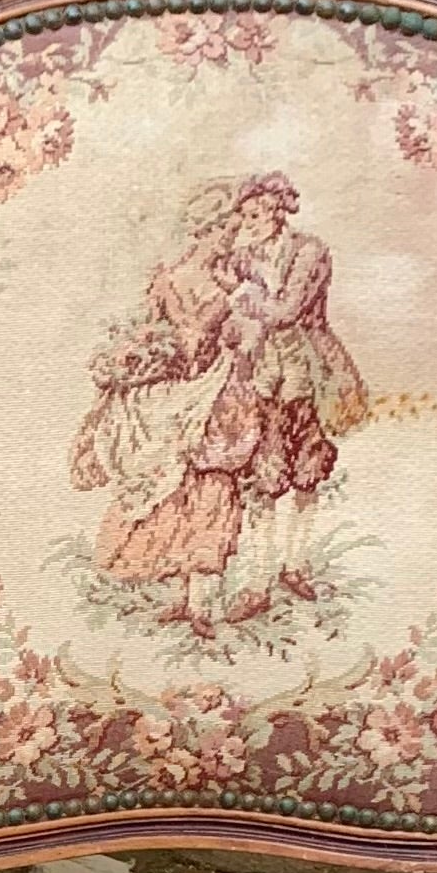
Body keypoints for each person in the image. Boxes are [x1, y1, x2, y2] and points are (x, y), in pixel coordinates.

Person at [71, 172, 367, 631]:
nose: (245, 226)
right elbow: (218, 318)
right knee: (266, 476)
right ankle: (258, 585)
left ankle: (296, 564)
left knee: (306, 472)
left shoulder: (308, 251)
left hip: (305, 373)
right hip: (258, 378)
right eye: (240, 218)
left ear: (276, 210)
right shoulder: (241, 258)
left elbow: (288, 311)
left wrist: (241, 299)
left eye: (252, 216)